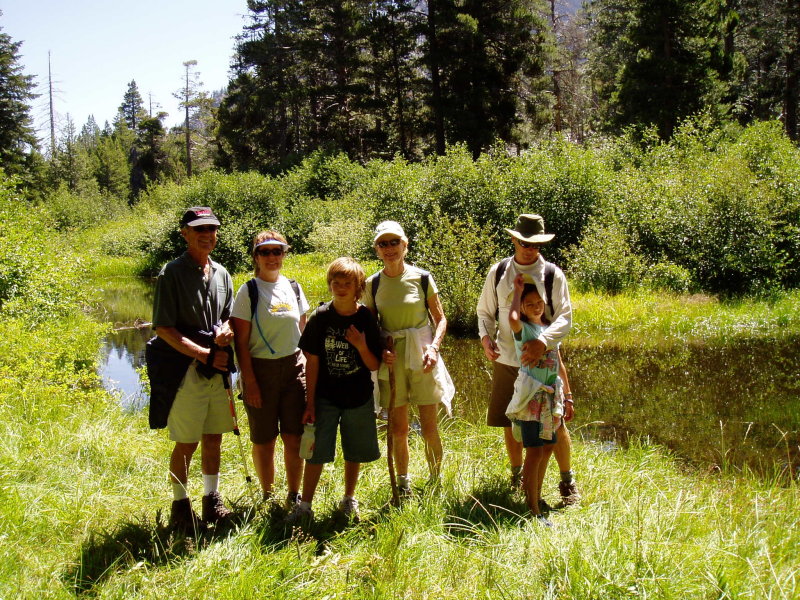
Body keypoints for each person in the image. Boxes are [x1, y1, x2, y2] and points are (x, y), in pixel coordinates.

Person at [476, 214, 580, 505]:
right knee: (512, 421)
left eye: (535, 244)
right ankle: (518, 476)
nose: (529, 248)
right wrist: (486, 338)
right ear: (514, 239)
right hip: (507, 360)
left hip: (543, 363)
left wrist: (542, 342)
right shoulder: (498, 272)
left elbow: (565, 317)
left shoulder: (551, 274)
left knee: (555, 423)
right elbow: (485, 312)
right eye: (524, 242)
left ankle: (567, 481)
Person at [149, 206, 235, 532]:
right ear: (184, 233)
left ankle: (211, 501)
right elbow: (163, 327)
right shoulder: (171, 273)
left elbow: (227, 315)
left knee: (214, 438)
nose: (207, 235)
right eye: (199, 229)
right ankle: (180, 507)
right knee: (187, 441)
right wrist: (203, 354)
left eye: (212, 229)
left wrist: (226, 331)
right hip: (185, 370)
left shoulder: (222, 273)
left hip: (217, 369)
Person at [363, 220, 453, 496]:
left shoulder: (422, 277)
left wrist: (434, 348)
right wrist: (381, 349)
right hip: (392, 360)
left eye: (394, 242)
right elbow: (371, 325)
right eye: (383, 244)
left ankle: (436, 481)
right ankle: (403, 484)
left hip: (423, 354)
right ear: (377, 249)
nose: (389, 248)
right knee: (399, 428)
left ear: (405, 244)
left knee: (429, 426)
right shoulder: (373, 283)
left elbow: (440, 319)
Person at [289, 257, 383, 524]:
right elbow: (313, 362)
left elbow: (374, 363)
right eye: (336, 282)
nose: (340, 287)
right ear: (330, 284)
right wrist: (310, 403)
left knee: (354, 451)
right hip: (326, 398)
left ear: (358, 287)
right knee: (316, 451)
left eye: (347, 283)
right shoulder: (320, 317)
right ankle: (305, 506)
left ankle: (348, 499)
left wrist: (361, 345)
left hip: (358, 397)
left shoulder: (365, 317)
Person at [230, 230, 309, 508]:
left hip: (294, 369)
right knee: (264, 438)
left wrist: (311, 374)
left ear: (284, 254)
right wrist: (248, 381)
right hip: (259, 371)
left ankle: (293, 494)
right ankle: (268, 494)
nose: (272, 257)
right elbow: (240, 343)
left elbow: (304, 331)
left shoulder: (294, 287)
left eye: (278, 251)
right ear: (256, 256)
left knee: (294, 436)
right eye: (265, 251)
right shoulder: (248, 291)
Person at [505, 275, 563, 525]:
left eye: (539, 302)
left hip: (550, 398)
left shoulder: (549, 331)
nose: (536, 306)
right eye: (530, 304)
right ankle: (532, 509)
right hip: (531, 399)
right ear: (523, 308)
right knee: (535, 452)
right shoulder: (524, 330)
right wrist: (517, 293)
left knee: (548, 448)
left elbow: (559, 364)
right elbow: (512, 319)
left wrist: (566, 397)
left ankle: (536, 497)